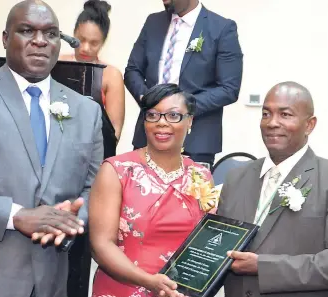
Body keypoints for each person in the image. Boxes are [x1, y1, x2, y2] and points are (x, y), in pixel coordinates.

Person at [0, 1, 103, 297]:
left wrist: (70, 220)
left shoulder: (86, 111)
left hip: (50, 280)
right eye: (27, 31)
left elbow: (94, 189)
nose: (40, 41)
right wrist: (15, 215)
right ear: (6, 38)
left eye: (51, 33)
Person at [89, 84, 219, 297]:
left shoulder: (201, 175)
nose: (162, 123)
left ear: (190, 122)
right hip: (124, 288)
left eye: (174, 116)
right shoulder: (116, 171)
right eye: (153, 115)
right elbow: (101, 245)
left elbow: (207, 243)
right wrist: (149, 282)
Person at [218, 81, 328, 297]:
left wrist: (264, 267)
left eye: (285, 115)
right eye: (266, 114)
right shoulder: (235, 177)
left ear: (309, 125)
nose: (272, 123)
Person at [125, 0, 243, 169]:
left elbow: (229, 88)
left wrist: (182, 107)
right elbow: (132, 71)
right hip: (149, 135)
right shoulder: (153, 22)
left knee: (187, 195)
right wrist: (147, 100)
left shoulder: (221, 28)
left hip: (196, 139)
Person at [60, 0, 125, 143]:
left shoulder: (111, 75)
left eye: (94, 43)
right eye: (81, 39)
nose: (85, 48)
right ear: (73, 33)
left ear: (103, 42)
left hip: (94, 151)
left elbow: (114, 131)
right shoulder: (57, 63)